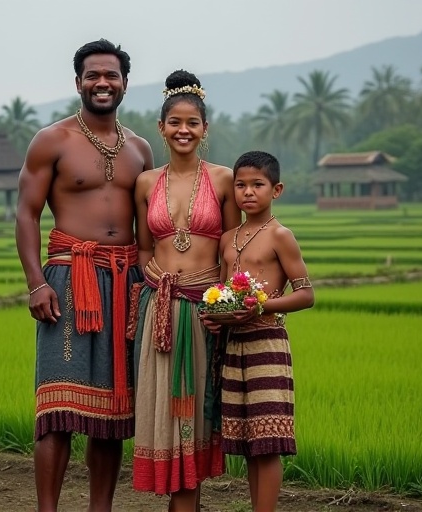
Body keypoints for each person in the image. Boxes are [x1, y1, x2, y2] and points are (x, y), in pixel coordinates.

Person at [15, 39, 154, 512]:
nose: (102, 83)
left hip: (126, 282)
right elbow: (27, 214)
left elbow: (151, 224)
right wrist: (35, 283)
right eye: (93, 75)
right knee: (57, 409)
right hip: (68, 279)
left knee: (110, 412)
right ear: (78, 82)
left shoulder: (140, 148)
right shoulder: (52, 140)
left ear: (125, 84)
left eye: (111, 76)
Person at [127, 70, 241, 512]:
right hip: (160, 310)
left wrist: (226, 310)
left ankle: (187, 500)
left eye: (192, 123)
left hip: (204, 314)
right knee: (163, 415)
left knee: (193, 413)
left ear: (205, 129)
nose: (183, 131)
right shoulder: (144, 183)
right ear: (161, 127)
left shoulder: (224, 179)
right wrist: (153, 297)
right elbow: (140, 250)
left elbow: (234, 252)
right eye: (175, 122)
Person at [212, 150, 315, 512]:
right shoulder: (228, 239)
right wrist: (217, 316)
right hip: (234, 344)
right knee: (247, 441)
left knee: (268, 440)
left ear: (277, 190)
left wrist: (260, 305)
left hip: (266, 343)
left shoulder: (280, 236)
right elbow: (223, 294)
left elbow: (306, 294)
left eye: (258, 185)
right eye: (241, 185)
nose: (248, 192)